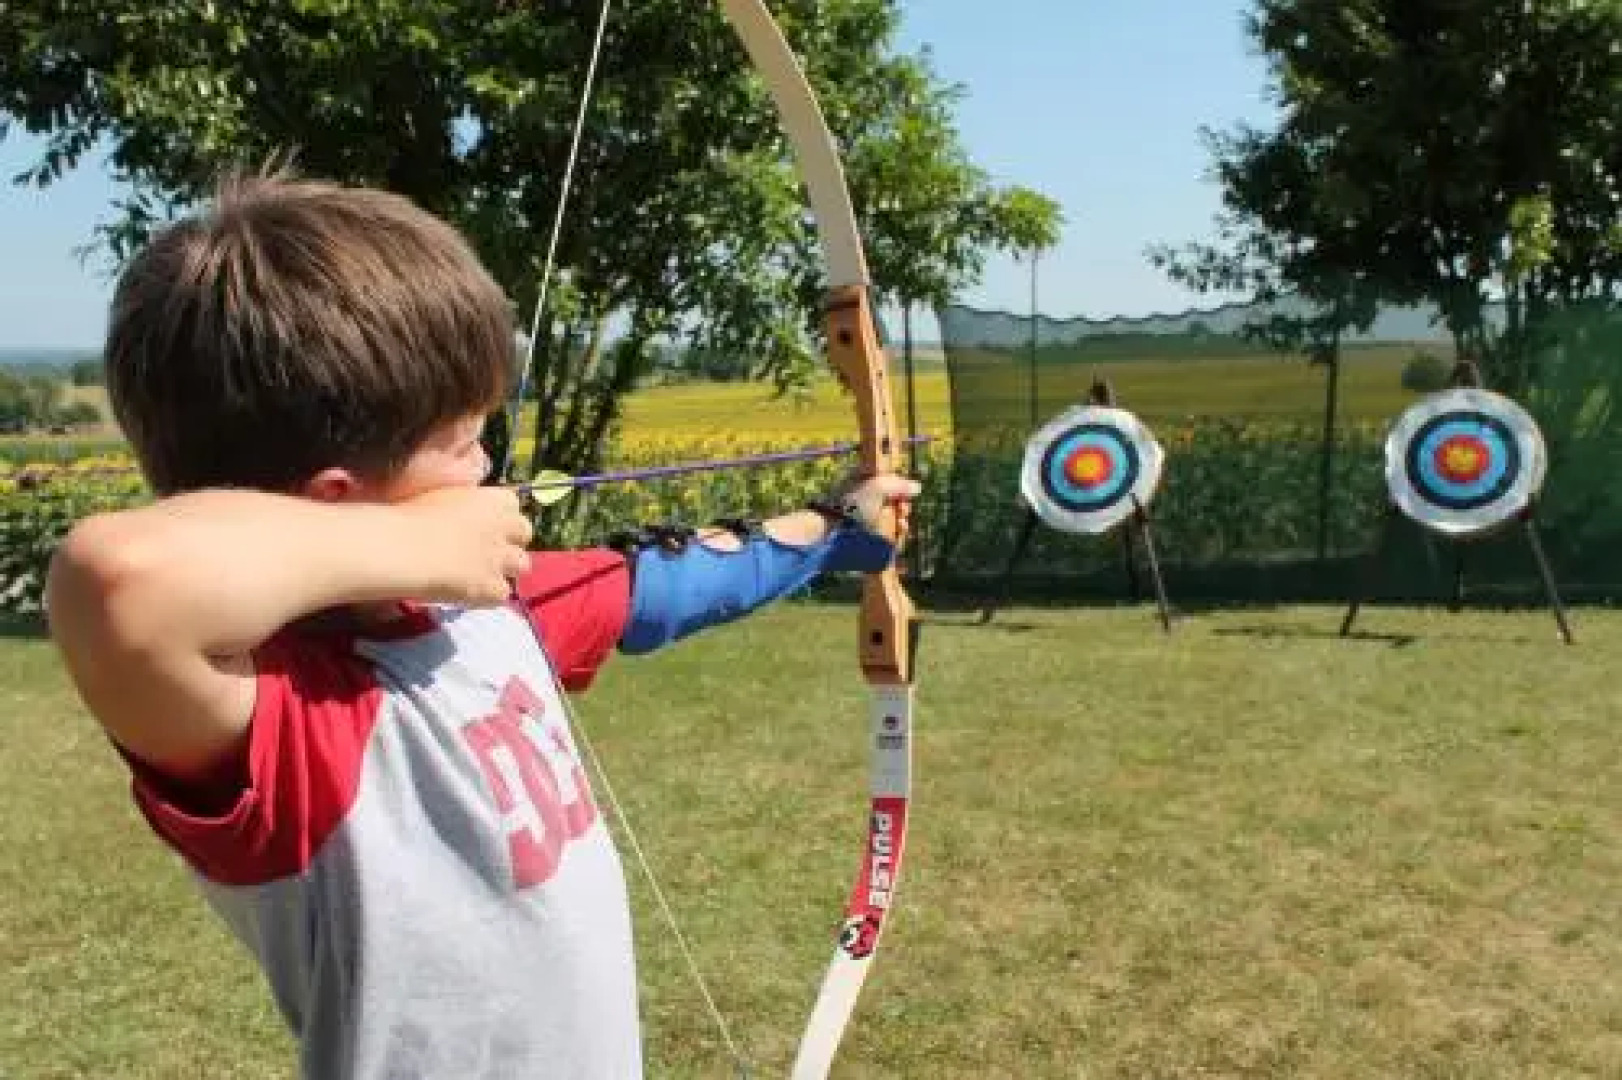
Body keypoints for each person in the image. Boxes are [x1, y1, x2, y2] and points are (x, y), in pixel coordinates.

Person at [44, 166, 920, 1079]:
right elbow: (119, 584)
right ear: (341, 502)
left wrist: (835, 531)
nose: (490, 464)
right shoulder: (285, 723)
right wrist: (400, 542)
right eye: (464, 441)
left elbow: (668, 581)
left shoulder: (486, 611)